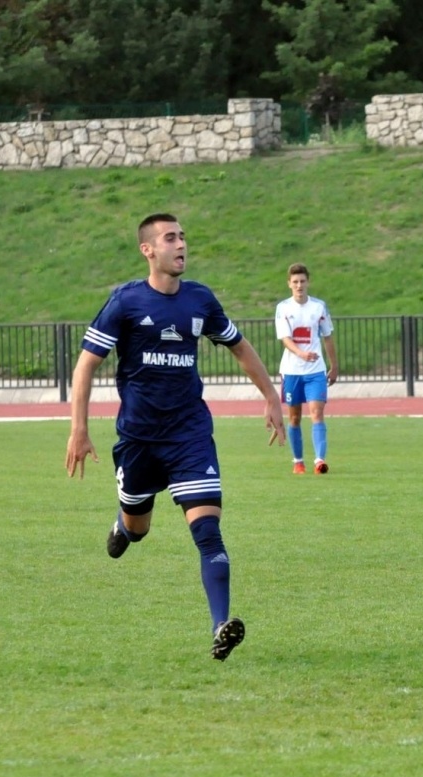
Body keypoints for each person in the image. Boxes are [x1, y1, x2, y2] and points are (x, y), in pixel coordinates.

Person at [66, 213, 286, 660]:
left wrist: (271, 397)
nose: (181, 244)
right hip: (138, 439)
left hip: (189, 434)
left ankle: (220, 625)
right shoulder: (125, 302)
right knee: (138, 527)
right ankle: (124, 528)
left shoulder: (200, 301)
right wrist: (79, 428)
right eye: (170, 238)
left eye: (183, 236)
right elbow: (87, 363)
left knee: (208, 531)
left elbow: (239, 346)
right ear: (148, 249)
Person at [274, 263, 337, 473]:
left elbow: (327, 336)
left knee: (316, 413)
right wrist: (301, 354)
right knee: (294, 417)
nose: (299, 285)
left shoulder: (319, 307)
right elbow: (285, 338)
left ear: (308, 282)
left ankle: (319, 460)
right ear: (289, 284)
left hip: (315, 371)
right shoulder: (283, 308)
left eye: (302, 281)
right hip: (292, 371)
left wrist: (334, 365)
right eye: (295, 282)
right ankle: (298, 460)